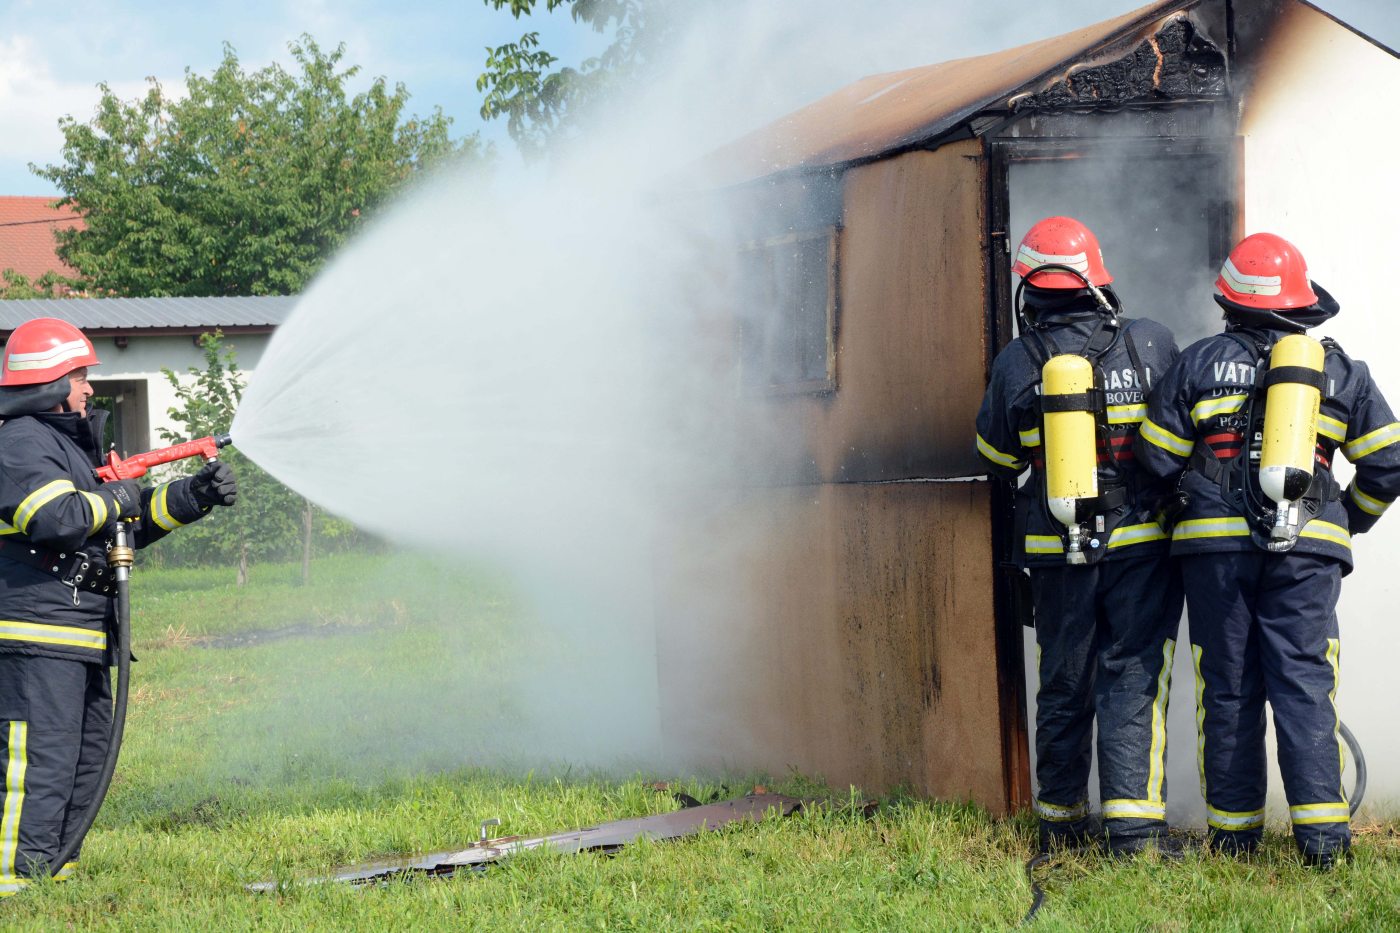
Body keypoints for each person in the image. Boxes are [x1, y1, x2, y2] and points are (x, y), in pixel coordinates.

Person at [1136, 233, 1400, 868]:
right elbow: (1388, 465)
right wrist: (1341, 523)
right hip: (1306, 557)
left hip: (1214, 555)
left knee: (1227, 688)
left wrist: (1194, 495)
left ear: (1230, 300)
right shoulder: (1340, 370)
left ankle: (1233, 842)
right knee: (1306, 684)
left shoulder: (1197, 362)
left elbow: (1154, 456)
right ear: (1299, 304)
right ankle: (1325, 847)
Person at [0, 318, 237, 895]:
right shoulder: (18, 443)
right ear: (49, 382)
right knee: (38, 768)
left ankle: (55, 883)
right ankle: (13, 888)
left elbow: (117, 529)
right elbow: (54, 519)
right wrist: (118, 494)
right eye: (80, 376)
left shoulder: (66, 447)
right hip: (37, 632)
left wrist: (189, 498)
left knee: (83, 764)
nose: (88, 389)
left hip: (79, 633)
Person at [975, 217, 1183, 856]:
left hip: (1058, 549)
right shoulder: (1149, 343)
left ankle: (1060, 829)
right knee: (1133, 677)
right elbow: (1176, 447)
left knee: (1064, 682)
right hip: (1141, 545)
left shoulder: (1017, 361)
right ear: (1098, 278)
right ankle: (1135, 833)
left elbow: (996, 455)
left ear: (1030, 291)